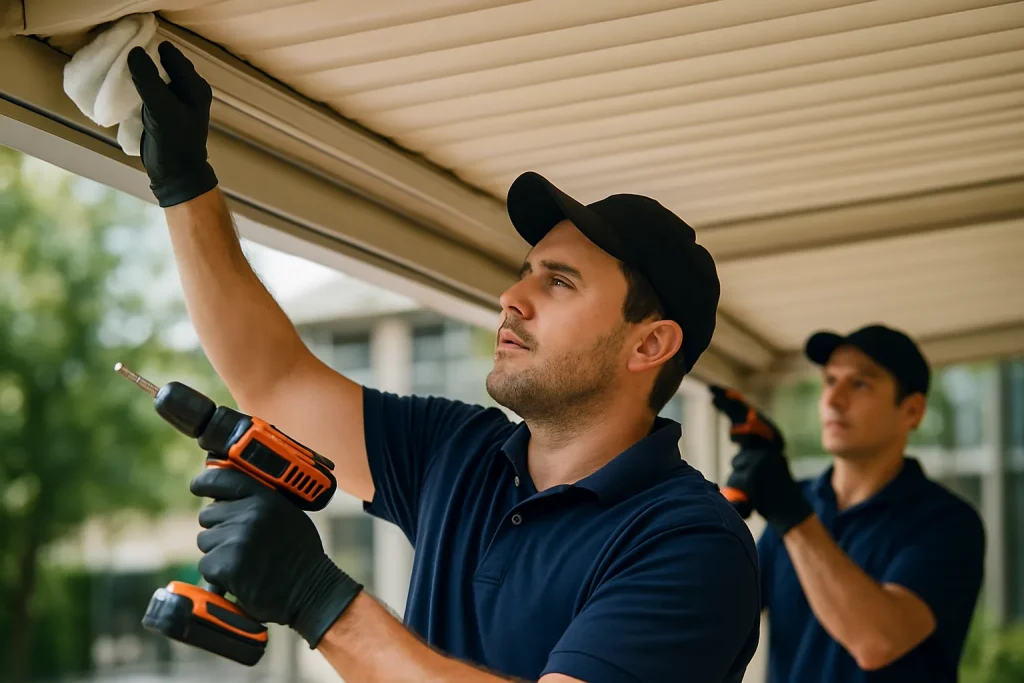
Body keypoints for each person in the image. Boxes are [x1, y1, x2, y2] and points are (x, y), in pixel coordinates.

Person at [125, 42, 761, 683]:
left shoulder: (690, 543)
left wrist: (317, 599)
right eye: (526, 274)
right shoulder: (458, 455)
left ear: (650, 345)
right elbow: (276, 379)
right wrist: (183, 183)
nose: (513, 298)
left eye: (560, 282)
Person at [712, 324, 986, 683]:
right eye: (830, 381)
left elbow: (877, 642)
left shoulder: (948, 523)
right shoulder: (798, 500)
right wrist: (711, 516)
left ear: (912, 411)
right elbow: (720, 613)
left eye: (860, 384)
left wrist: (791, 516)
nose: (833, 400)